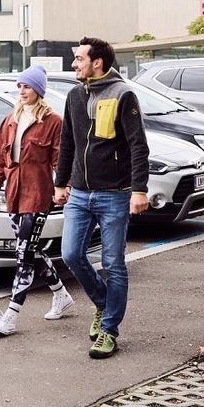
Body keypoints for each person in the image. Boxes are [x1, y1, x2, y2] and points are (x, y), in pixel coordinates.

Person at [53, 37, 149, 359]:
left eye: (79, 59)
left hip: (115, 195)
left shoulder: (123, 94)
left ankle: (108, 330)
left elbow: (138, 145)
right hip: (80, 193)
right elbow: (68, 143)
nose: (74, 64)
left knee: (113, 263)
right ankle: (102, 302)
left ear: (97, 63)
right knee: (70, 255)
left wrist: (139, 189)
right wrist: (60, 183)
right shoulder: (74, 96)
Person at [0, 64, 75, 336]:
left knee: (23, 253)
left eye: (28, 86)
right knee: (31, 250)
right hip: (14, 194)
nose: (23, 91)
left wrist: (63, 187)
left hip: (38, 195)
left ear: (39, 90)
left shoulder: (52, 122)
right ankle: (61, 294)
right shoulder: (11, 119)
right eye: (20, 86)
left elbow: (61, 159)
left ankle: (10, 316)